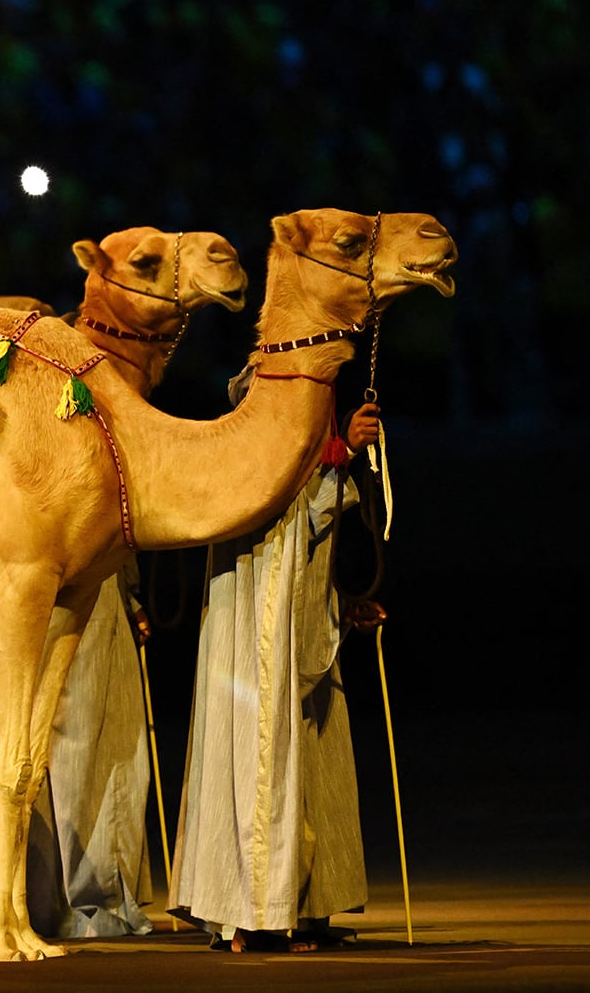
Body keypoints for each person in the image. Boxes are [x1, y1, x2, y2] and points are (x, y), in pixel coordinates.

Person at [168, 390, 381, 953]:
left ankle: (305, 906)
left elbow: (312, 538)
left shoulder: (304, 419)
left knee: (313, 756)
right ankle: (254, 911)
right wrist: (344, 456)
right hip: (260, 630)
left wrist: (344, 598)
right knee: (264, 752)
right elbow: (296, 519)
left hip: (307, 617)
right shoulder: (258, 440)